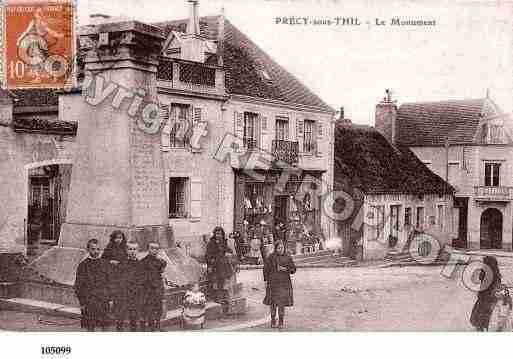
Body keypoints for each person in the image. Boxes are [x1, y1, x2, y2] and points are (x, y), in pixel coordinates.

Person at [74, 238, 110, 331]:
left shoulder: (105, 264)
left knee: (104, 326)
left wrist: (110, 298)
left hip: (103, 299)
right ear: (88, 250)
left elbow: (110, 282)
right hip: (89, 300)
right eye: (93, 249)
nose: (96, 251)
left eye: (98, 249)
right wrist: (82, 302)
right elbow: (79, 285)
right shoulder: (83, 265)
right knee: (90, 327)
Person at [263, 240, 296, 330]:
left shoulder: (288, 257)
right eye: (279, 248)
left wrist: (285, 269)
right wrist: (266, 281)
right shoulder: (271, 257)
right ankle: (273, 320)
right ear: (276, 248)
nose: (280, 249)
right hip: (273, 283)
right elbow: (265, 269)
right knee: (273, 303)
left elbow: (293, 269)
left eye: (282, 248)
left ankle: (281, 321)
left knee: (281, 303)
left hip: (284, 284)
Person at [101, 230, 128, 329]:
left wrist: (120, 264)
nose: (118, 240)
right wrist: (110, 262)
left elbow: (126, 261)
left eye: (120, 238)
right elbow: (103, 260)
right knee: (110, 295)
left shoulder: (125, 248)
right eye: (116, 238)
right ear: (113, 238)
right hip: (111, 275)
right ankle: (109, 315)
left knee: (119, 296)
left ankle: (119, 316)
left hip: (121, 275)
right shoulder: (109, 248)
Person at [116, 241, 145, 331]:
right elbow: (118, 280)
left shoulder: (141, 265)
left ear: (138, 251)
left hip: (135, 296)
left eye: (134, 249)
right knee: (120, 318)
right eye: (130, 249)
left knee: (134, 319)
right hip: (124, 296)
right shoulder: (122, 264)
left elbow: (142, 281)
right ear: (126, 250)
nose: (132, 251)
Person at [470, 256, 502, 331]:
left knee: (481, 314)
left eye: (484, 263)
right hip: (490, 297)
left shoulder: (488, 273)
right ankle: (483, 327)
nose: (483, 265)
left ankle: (481, 327)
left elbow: (483, 281)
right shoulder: (495, 273)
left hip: (486, 297)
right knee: (485, 314)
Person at [140, 241, 167, 331]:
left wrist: (161, 260)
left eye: (156, 248)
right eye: (152, 248)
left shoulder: (159, 260)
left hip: (158, 288)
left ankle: (158, 325)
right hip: (149, 290)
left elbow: (163, 267)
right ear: (148, 249)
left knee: (158, 308)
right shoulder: (143, 261)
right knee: (150, 309)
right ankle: (152, 327)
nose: (154, 250)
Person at [205, 226, 234, 298]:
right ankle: (215, 295)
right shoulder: (211, 243)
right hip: (214, 264)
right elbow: (208, 255)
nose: (219, 236)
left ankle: (221, 293)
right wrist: (210, 265)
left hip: (222, 264)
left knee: (223, 278)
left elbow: (228, 250)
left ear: (222, 235)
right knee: (215, 279)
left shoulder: (223, 242)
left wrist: (230, 250)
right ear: (214, 234)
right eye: (217, 234)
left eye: (220, 234)